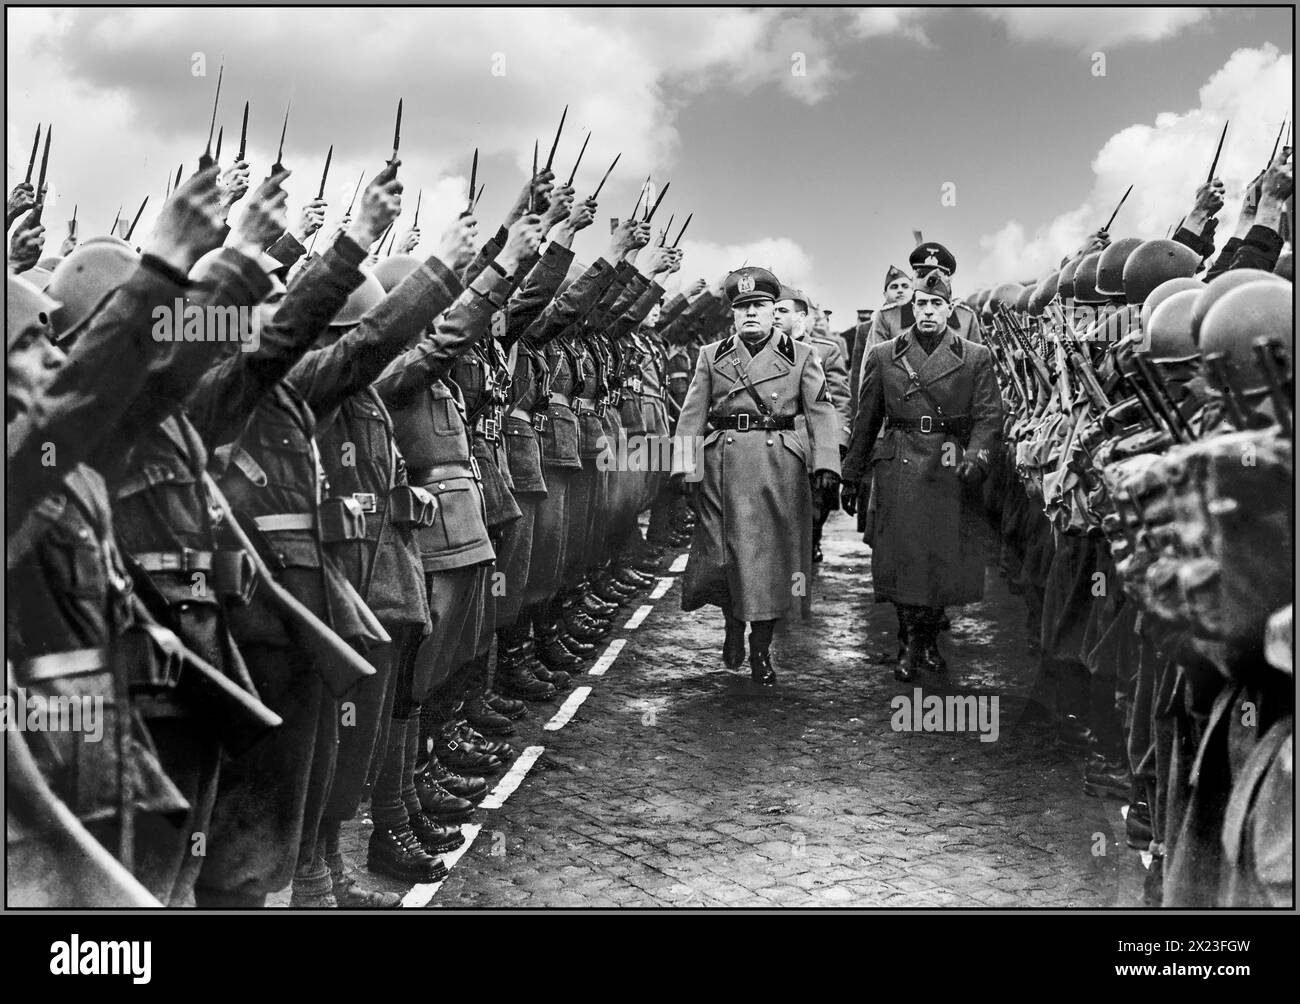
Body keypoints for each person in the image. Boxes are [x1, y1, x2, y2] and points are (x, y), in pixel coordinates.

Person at [672, 266, 841, 686]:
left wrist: (826, 465)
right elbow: (691, 416)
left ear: (773, 311)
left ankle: (760, 649)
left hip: (777, 468)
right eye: (742, 307)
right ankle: (733, 626)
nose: (750, 314)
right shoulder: (711, 356)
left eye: (759, 307)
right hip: (721, 470)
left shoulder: (801, 357)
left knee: (768, 561)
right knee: (727, 556)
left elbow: (821, 413)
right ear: (732, 314)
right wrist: (683, 466)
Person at [842, 268, 1003, 682]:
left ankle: (928, 639)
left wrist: (977, 457)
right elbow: (867, 418)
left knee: (941, 558)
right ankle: (907, 641)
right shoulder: (885, 354)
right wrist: (851, 473)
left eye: (936, 304)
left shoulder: (975, 356)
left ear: (950, 308)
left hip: (950, 467)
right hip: (900, 465)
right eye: (921, 304)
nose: (928, 311)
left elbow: (989, 415)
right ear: (911, 309)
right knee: (902, 557)